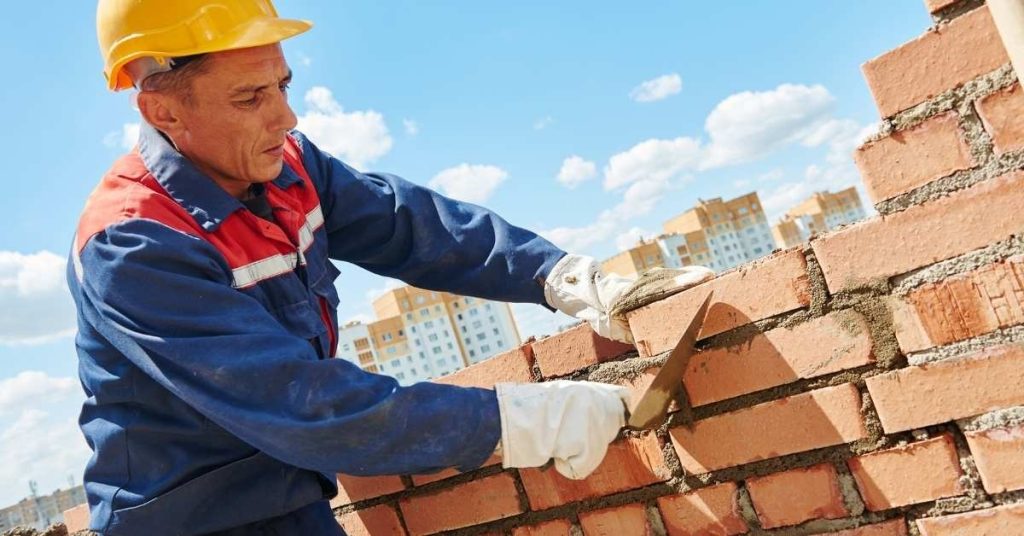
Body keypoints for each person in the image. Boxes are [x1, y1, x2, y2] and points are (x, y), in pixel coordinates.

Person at [70, 1, 714, 534]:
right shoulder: (133, 245)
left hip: (288, 497)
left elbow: (412, 227)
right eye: (250, 97)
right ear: (164, 111)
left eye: (283, 86)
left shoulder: (285, 166)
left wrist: (562, 276)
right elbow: (300, 403)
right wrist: (518, 422)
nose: (285, 117)